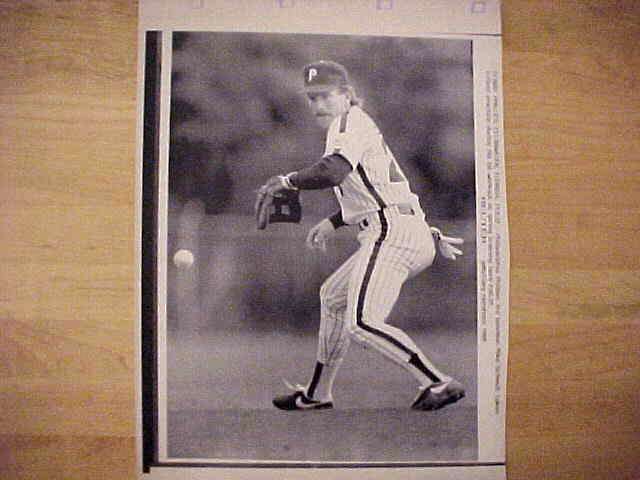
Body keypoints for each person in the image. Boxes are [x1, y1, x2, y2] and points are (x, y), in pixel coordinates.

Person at [257, 60, 465, 411]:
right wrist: (335, 223)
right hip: (396, 226)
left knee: (362, 322)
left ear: (347, 95)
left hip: (392, 232)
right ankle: (317, 394)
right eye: (311, 98)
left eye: (325, 96)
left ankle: (438, 382)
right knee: (333, 297)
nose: (317, 105)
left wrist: (289, 180)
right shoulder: (350, 127)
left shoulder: (349, 122)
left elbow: (333, 172)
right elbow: (372, 190)